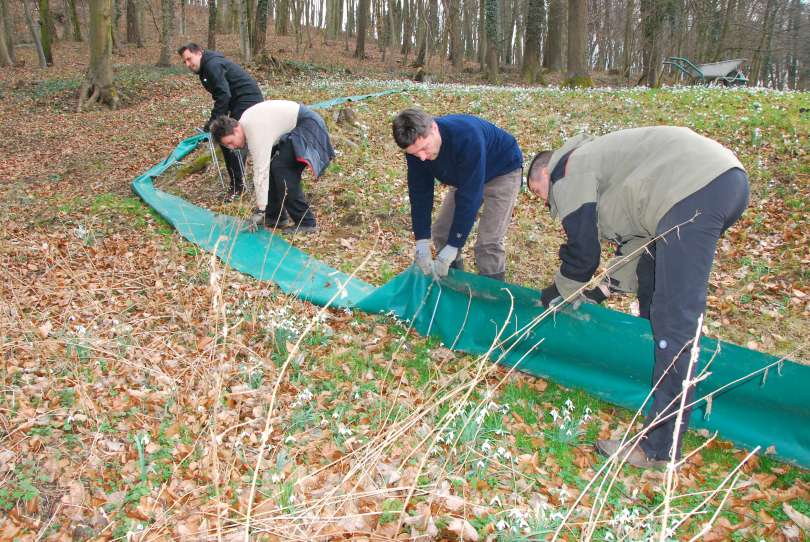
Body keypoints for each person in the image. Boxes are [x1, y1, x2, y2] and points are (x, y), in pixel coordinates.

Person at [526, 126, 749, 469]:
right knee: (652, 285)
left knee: (675, 320)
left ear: (544, 172)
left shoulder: (567, 171)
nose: (543, 201)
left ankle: (659, 448)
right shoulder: (608, 173)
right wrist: (597, 294)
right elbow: (636, 248)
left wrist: (556, 293)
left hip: (695, 188)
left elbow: (583, 253)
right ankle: (656, 390)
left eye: (536, 190)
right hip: (716, 182)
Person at [392, 108, 523, 281]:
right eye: (415, 153)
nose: (422, 157)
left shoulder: (466, 136)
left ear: (434, 128)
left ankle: (494, 297)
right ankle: (455, 284)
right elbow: (420, 193)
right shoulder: (416, 151)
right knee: (442, 232)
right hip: (465, 175)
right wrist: (421, 240)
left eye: (424, 148)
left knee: (488, 243)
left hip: (502, 170)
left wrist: (455, 245)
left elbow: (470, 197)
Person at [209, 100, 334, 233]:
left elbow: (260, 171)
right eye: (227, 146)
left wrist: (260, 209)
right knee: (274, 166)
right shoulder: (246, 124)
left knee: (282, 169)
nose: (232, 147)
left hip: (308, 127)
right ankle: (274, 217)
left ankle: (306, 222)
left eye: (231, 142)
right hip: (293, 130)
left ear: (236, 130)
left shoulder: (254, 131)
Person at [177, 43, 264, 200]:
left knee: (228, 139)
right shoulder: (206, 67)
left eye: (189, 59)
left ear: (199, 53)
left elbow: (224, 95)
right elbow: (222, 95)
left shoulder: (212, 65)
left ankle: (238, 187)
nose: (188, 64)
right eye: (185, 62)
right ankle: (237, 183)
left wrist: (213, 122)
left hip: (247, 100)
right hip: (237, 101)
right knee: (223, 140)